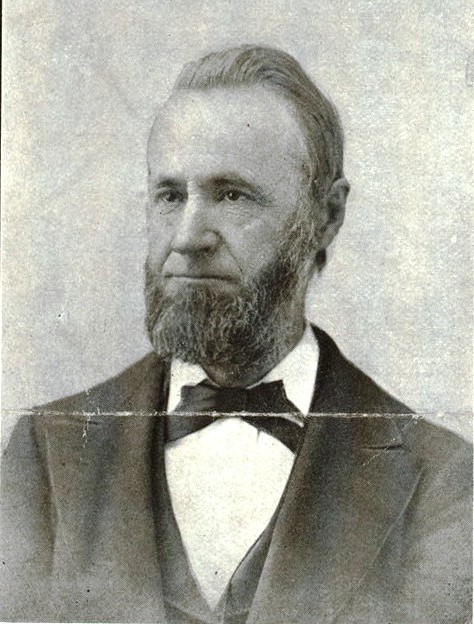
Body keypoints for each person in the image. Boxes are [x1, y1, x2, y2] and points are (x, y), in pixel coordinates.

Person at [1, 45, 471, 624]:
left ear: (326, 215)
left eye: (231, 195)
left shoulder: (441, 483)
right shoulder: (45, 455)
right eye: (171, 196)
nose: (187, 237)